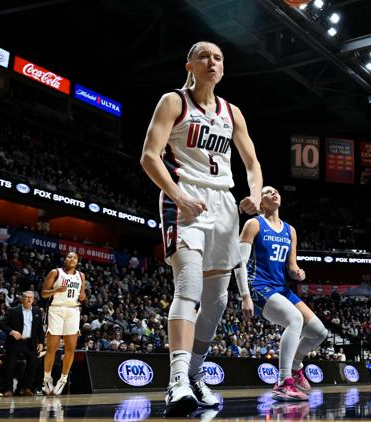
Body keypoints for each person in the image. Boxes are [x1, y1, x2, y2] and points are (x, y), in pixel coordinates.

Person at [140, 40, 263, 416]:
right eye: (205, 56)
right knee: (189, 286)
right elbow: (149, 156)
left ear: (223, 68)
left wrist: (254, 196)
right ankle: (176, 380)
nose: (213, 61)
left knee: (217, 301)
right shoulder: (173, 102)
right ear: (189, 64)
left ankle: (194, 374)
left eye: (219, 57)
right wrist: (179, 197)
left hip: (225, 204)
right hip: (185, 200)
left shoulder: (232, 112)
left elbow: (253, 165)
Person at [236, 186, 328, 401]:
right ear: (261, 202)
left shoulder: (290, 230)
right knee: (294, 319)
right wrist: (244, 295)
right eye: (268, 192)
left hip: (281, 287)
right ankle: (283, 382)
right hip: (258, 285)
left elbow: (292, 267)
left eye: (276, 191)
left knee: (319, 332)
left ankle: (295, 367)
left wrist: (298, 273)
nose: (274, 193)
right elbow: (239, 262)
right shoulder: (254, 224)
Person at [40, 252, 86, 395]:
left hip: (73, 311)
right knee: (52, 348)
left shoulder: (81, 275)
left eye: (75, 258)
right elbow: (43, 293)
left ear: (77, 261)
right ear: (65, 260)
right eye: (69, 257)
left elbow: (82, 295)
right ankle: (47, 378)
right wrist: (56, 290)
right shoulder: (55, 272)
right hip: (56, 310)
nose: (72, 259)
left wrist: (83, 296)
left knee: (70, 348)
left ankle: (63, 379)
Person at [0, 291, 44, 396]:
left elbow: (40, 329)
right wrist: (12, 331)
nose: (29, 300)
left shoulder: (37, 311)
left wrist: (41, 342)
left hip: (30, 342)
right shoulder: (13, 310)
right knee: (10, 366)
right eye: (27, 297)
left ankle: (25, 388)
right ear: (22, 299)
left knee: (33, 365)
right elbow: (1, 324)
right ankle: (8, 389)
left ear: (33, 299)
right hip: (15, 342)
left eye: (31, 298)